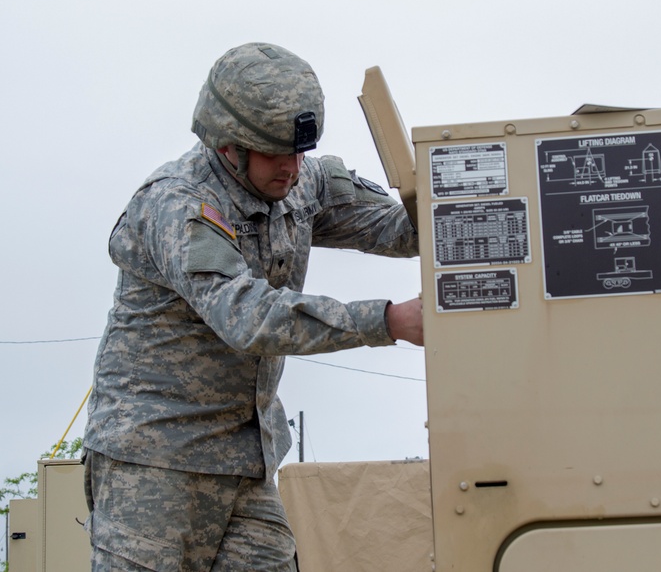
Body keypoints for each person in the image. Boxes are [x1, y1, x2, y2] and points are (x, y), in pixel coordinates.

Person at [82, 42, 422, 572]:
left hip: (246, 463)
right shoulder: (179, 205)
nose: (291, 168)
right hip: (153, 465)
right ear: (226, 145)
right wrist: (388, 320)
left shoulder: (303, 182)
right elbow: (248, 316)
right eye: (273, 152)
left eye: (299, 151)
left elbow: (402, 232)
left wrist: (461, 194)